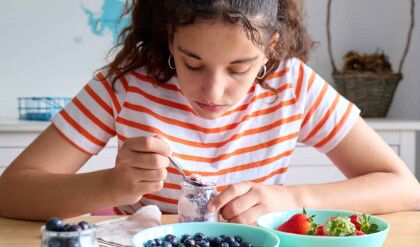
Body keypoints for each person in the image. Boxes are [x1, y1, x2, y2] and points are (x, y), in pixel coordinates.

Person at [0, 0, 419, 224]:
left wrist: (292, 199)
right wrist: (112, 185)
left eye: (239, 68)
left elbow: (405, 188)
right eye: (193, 63)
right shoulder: (126, 85)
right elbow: (12, 190)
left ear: (270, 49)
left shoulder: (294, 85)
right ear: (170, 38)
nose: (213, 93)